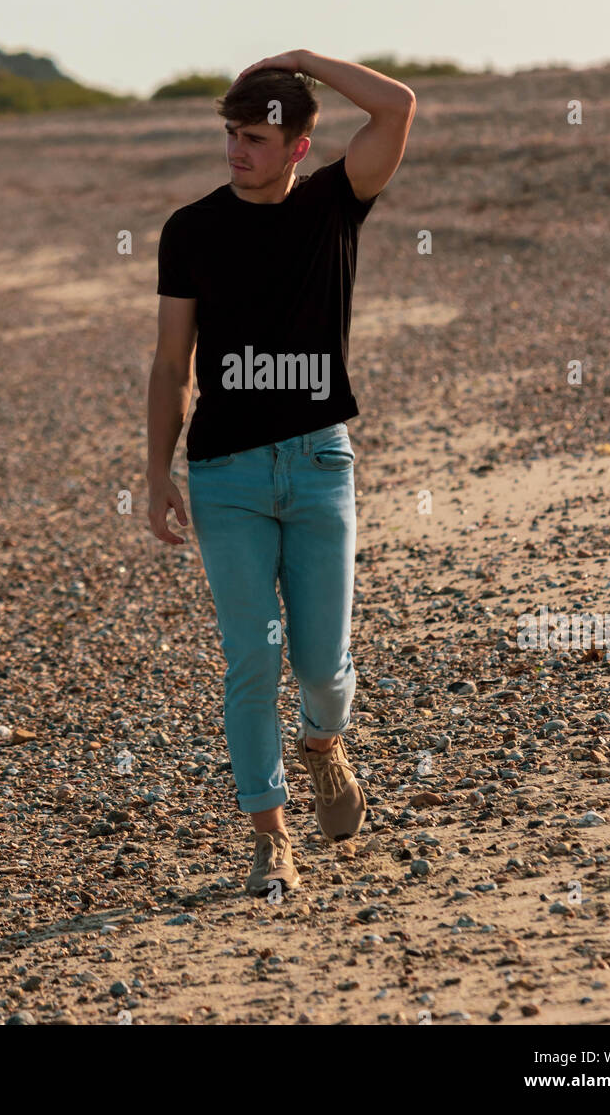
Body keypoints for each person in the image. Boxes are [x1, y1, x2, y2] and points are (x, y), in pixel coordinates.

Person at [147, 49, 415, 896]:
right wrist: (155, 469)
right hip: (224, 473)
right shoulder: (189, 230)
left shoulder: (337, 204)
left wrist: (304, 61)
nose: (238, 150)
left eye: (257, 137)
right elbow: (169, 361)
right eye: (231, 134)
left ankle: (324, 744)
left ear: (299, 145)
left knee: (322, 663)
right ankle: (270, 836)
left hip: (318, 462)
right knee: (252, 660)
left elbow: (398, 106)